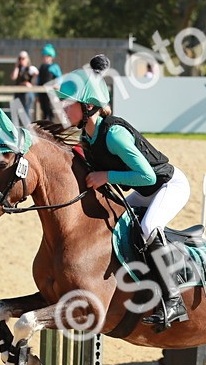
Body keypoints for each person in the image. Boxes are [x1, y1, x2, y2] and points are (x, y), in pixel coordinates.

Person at [56, 54, 191, 332]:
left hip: (166, 186)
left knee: (148, 226)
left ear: (88, 107)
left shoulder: (114, 134)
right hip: (144, 191)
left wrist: (106, 175)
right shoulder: (87, 137)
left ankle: (174, 299)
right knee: (117, 226)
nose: (63, 109)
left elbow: (147, 175)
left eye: (68, 105)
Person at [36, 43, 62, 120]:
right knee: (43, 110)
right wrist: (37, 94)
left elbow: (59, 78)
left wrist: (58, 85)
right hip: (42, 92)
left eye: (47, 56)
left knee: (49, 110)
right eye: (44, 56)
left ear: (51, 57)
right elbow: (38, 80)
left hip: (50, 92)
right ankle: (45, 128)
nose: (45, 58)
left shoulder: (54, 67)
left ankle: (51, 127)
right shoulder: (41, 67)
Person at [11, 50, 39, 120]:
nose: (21, 60)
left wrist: (30, 84)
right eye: (19, 58)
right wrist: (16, 67)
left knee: (26, 112)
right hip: (18, 94)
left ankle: (28, 129)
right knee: (17, 113)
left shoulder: (30, 68)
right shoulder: (18, 69)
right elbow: (13, 77)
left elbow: (37, 75)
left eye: (23, 58)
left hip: (27, 94)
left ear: (27, 59)